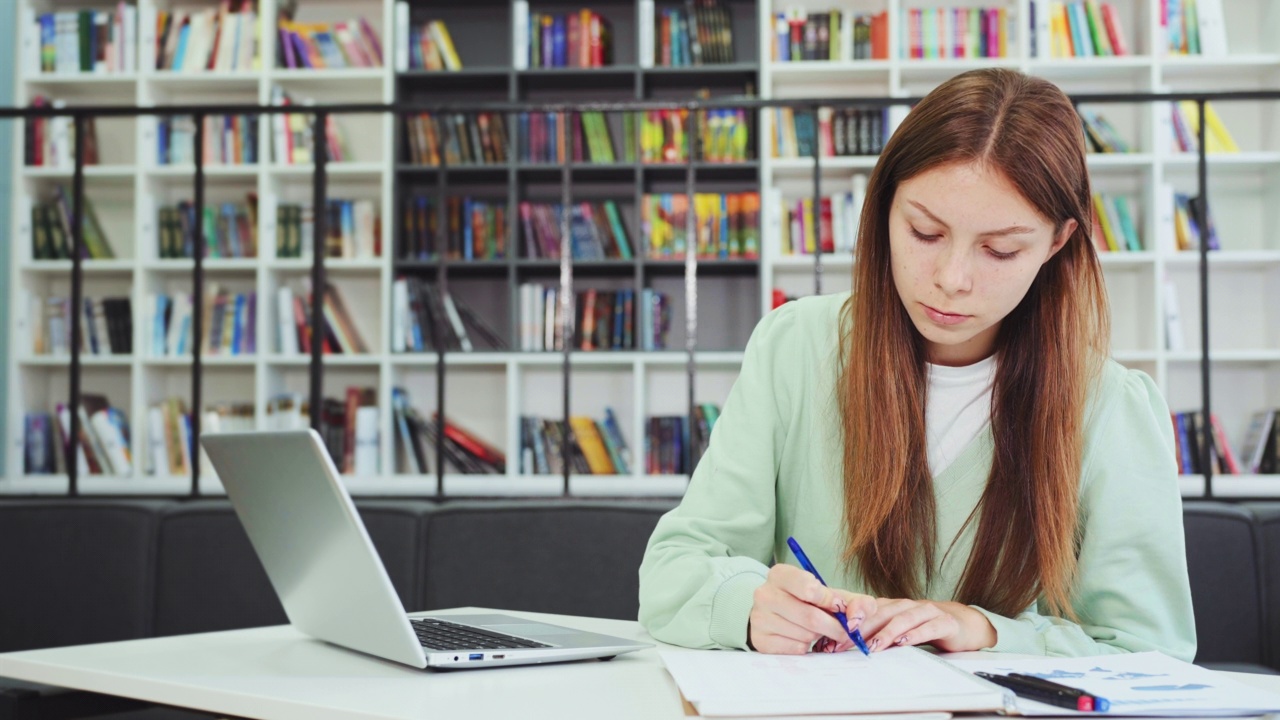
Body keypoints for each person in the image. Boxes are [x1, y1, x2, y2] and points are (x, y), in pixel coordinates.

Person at [637, 68, 1196, 660]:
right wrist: (747, 606)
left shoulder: (1109, 406)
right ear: (883, 209)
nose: (951, 280)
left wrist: (986, 631)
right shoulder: (795, 347)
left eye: (1000, 250)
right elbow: (673, 572)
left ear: (1057, 244)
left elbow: (1148, 653)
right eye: (925, 232)